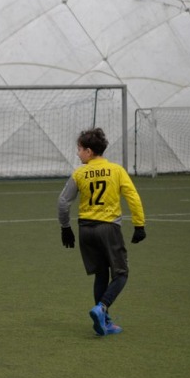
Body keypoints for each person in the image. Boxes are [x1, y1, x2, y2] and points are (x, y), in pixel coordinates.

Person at [58, 127, 147, 336]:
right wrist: (139, 225)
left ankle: (104, 321)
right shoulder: (116, 170)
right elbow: (133, 197)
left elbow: (63, 202)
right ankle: (102, 307)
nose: (78, 153)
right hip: (108, 229)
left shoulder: (79, 173)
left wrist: (65, 228)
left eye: (79, 149)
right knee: (121, 273)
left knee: (101, 273)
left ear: (89, 151)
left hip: (85, 230)